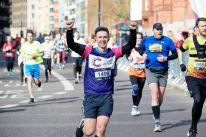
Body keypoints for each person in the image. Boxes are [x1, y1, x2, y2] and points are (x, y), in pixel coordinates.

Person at [66, 19, 136, 137]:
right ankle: (82, 125)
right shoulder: (88, 51)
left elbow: (130, 45)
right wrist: (69, 30)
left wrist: (133, 30)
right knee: (89, 131)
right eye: (100, 37)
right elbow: (71, 44)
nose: (102, 39)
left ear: (108, 39)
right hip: (91, 96)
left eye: (105, 37)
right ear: (95, 39)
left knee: (101, 129)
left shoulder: (114, 52)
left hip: (106, 97)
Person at [140, 23, 178, 132]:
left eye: (161, 29)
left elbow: (175, 54)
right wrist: (143, 55)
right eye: (157, 30)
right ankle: (157, 122)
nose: (159, 31)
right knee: (155, 95)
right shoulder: (147, 40)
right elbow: (140, 49)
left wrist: (166, 58)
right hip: (151, 70)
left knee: (160, 98)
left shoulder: (167, 40)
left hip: (163, 72)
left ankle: (155, 109)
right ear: (153, 30)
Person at [179, 17, 206, 137]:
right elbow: (180, 49)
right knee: (198, 99)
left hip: (205, 78)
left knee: (199, 104)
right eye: (202, 26)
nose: (205, 28)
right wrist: (181, 63)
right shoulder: (190, 40)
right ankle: (193, 129)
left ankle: (193, 128)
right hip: (192, 76)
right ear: (197, 28)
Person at [20, 31, 43, 103]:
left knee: (36, 81)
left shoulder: (37, 43)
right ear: (26, 37)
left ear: (33, 37)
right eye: (28, 36)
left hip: (35, 64)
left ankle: (38, 82)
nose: (30, 37)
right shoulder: (24, 45)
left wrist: (35, 55)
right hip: (27, 65)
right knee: (29, 80)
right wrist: (26, 56)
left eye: (31, 36)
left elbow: (42, 53)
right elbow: (22, 53)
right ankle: (31, 97)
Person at [126, 32, 146, 116]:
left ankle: (136, 106)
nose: (138, 40)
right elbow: (128, 57)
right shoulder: (131, 48)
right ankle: (134, 107)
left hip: (142, 72)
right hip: (133, 71)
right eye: (136, 38)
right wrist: (129, 57)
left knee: (139, 91)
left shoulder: (145, 49)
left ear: (142, 39)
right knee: (135, 88)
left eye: (139, 38)